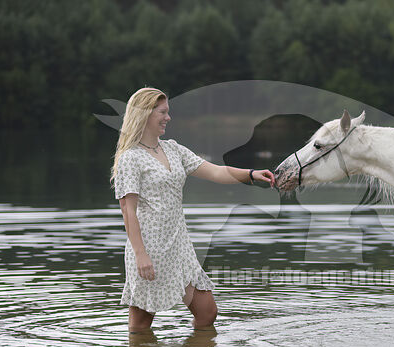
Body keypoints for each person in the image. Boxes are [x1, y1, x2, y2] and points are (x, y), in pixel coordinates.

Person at [111, 87, 275, 332]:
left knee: (207, 312)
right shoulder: (130, 158)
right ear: (144, 115)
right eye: (162, 112)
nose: (168, 118)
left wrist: (251, 174)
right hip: (149, 249)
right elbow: (128, 210)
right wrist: (140, 255)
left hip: (179, 246)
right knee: (141, 326)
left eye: (168, 112)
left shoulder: (173, 149)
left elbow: (216, 171)